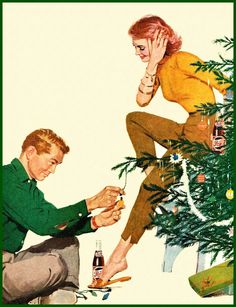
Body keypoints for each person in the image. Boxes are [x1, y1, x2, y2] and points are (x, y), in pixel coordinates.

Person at [91, 15, 230, 287]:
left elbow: (226, 84)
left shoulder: (183, 59)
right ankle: (154, 172)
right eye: (136, 48)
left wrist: (223, 129)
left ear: (159, 40)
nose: (137, 53)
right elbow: (142, 100)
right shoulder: (162, 67)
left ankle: (118, 258)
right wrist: (153, 62)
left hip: (204, 131)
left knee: (149, 190)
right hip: (189, 129)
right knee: (134, 119)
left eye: (142, 47)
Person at [2, 128, 125, 304]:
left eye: (56, 165)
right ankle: (42, 299)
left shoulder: (30, 188)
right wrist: (90, 203)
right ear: (30, 152)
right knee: (54, 265)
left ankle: (62, 295)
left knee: (68, 243)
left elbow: (55, 223)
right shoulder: (6, 178)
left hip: (10, 263)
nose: (52, 171)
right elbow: (43, 224)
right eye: (51, 162)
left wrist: (95, 221)